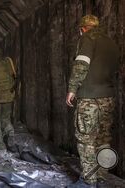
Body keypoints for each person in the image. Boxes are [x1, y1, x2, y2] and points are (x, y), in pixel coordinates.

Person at [66, 15, 119, 187]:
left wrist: (72, 89)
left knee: (86, 139)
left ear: (83, 28)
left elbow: (81, 66)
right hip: (108, 97)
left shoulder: (87, 39)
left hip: (89, 98)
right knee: (103, 138)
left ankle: (88, 181)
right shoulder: (111, 43)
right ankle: (102, 175)